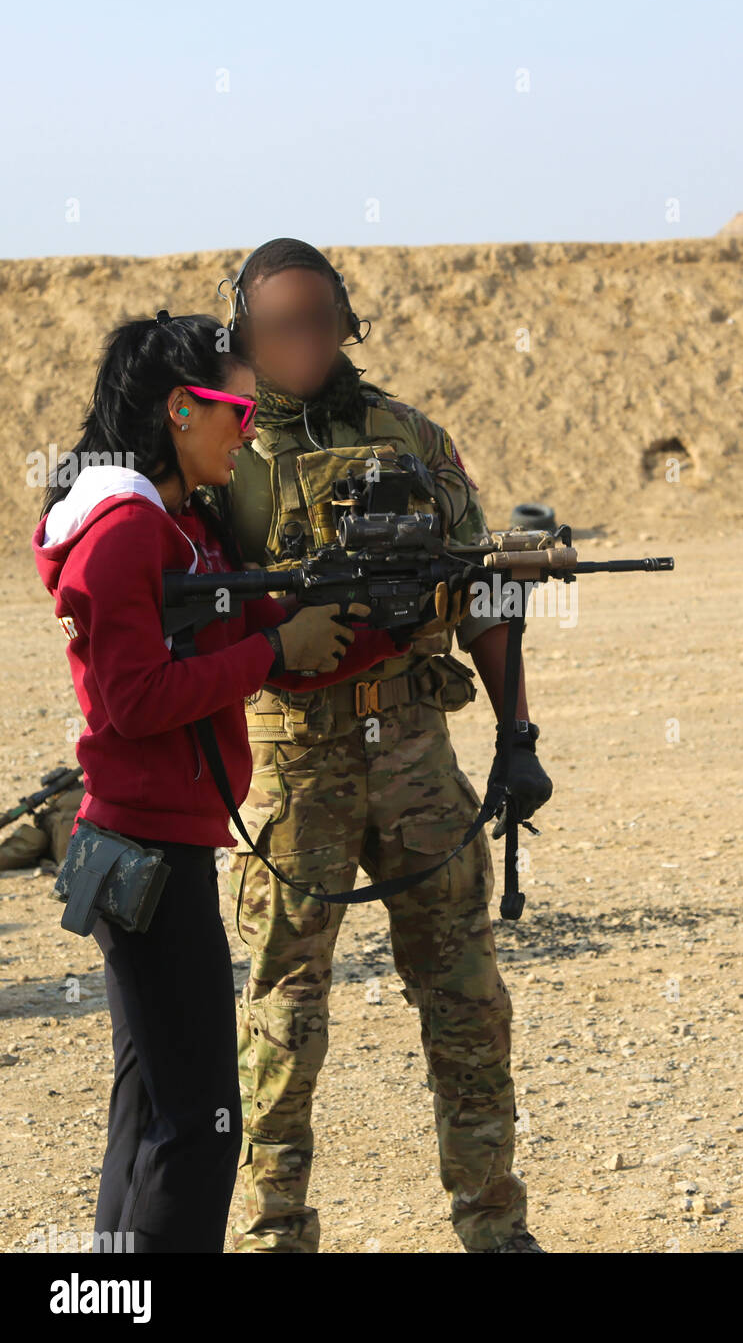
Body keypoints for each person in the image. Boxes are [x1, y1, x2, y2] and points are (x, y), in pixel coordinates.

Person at [31, 310, 412, 1253]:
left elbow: (262, 646)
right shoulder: (126, 534)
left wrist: (379, 620)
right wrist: (276, 643)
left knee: (150, 1111)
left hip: (161, 843)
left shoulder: (182, 528)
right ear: (176, 410)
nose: (247, 434)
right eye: (234, 415)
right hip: (144, 850)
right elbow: (133, 699)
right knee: (200, 1127)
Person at [209, 238, 554, 1253]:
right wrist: (276, 635)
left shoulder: (412, 438)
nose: (304, 341)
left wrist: (516, 734)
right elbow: (175, 606)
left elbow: (488, 589)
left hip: (410, 745)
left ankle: (495, 1228)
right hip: (288, 761)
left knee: (466, 998)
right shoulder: (218, 457)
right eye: (279, 324)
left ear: (348, 320)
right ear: (243, 331)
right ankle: (277, 1233)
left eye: (320, 318)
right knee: (283, 1016)